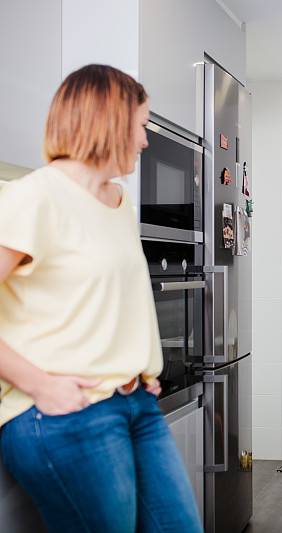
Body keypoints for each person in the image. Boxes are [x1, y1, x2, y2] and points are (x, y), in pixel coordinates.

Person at [0, 64, 203, 532]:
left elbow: (112, 305)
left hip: (136, 405)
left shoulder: (117, 202)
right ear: (108, 121)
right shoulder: (34, 197)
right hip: (66, 416)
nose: (145, 140)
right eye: (140, 125)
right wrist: (41, 384)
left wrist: (137, 368)